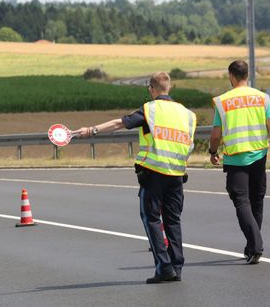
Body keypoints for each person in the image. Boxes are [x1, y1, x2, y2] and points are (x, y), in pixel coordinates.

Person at [75, 71, 196, 284]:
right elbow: (190, 145)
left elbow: (119, 123)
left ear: (151, 88)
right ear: (170, 88)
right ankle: (177, 267)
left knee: (151, 218)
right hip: (177, 174)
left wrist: (92, 130)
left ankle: (164, 267)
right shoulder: (187, 114)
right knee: (173, 221)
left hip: (154, 173)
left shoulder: (150, 109)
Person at [209, 60, 270, 265]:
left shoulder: (223, 101)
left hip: (236, 158)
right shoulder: (263, 98)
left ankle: (256, 245)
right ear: (247, 75)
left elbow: (216, 134)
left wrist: (212, 151)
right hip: (259, 157)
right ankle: (253, 246)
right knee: (257, 201)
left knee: (241, 201)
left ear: (231, 76)